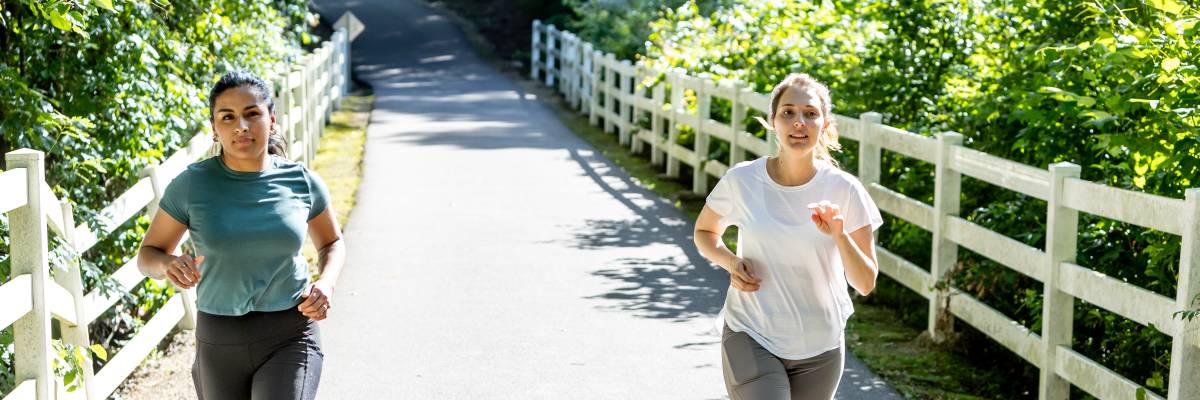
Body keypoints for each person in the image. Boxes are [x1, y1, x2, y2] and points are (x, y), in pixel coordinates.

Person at [137, 71, 345, 400]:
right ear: (214, 128)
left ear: (271, 120)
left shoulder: (301, 182)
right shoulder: (192, 185)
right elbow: (148, 254)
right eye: (228, 117)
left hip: (291, 332)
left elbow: (332, 243)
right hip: (219, 340)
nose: (241, 126)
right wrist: (167, 264)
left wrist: (326, 282)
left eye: (252, 114)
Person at [693, 73, 883, 399]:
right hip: (751, 332)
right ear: (773, 122)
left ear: (824, 124)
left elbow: (865, 283)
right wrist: (731, 262)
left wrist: (840, 235)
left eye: (810, 113)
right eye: (788, 112)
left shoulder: (845, 189)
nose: (799, 122)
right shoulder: (743, 180)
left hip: (820, 346)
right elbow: (704, 231)